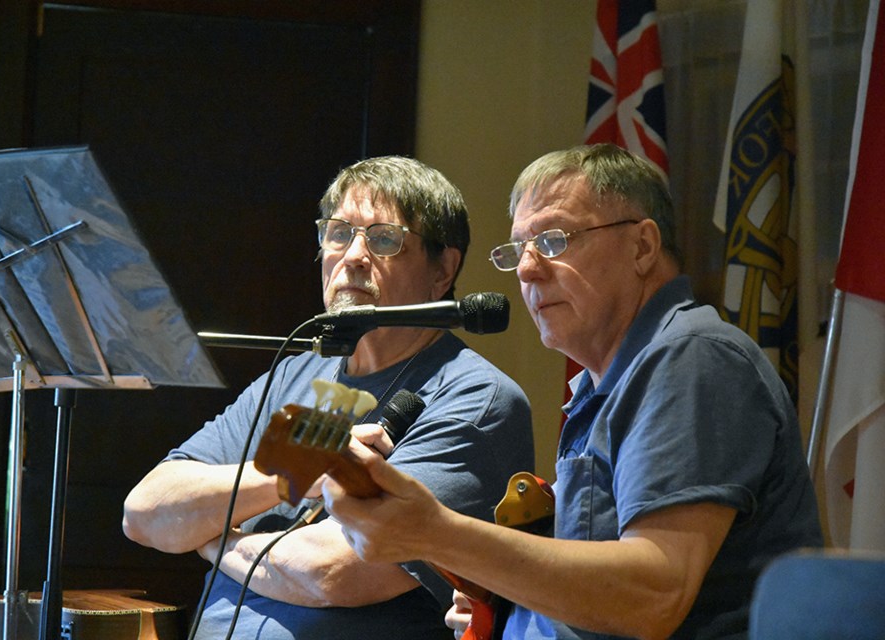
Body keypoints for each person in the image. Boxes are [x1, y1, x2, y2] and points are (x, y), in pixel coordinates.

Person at [322, 144, 823, 640]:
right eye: (518, 248)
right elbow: (599, 590)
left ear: (643, 247)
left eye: (555, 240)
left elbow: (654, 595)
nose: (526, 269)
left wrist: (436, 532)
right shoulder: (600, 382)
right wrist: (505, 597)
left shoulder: (693, 357)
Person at [122, 155, 534, 639]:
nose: (353, 255)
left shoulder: (477, 398)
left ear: (443, 269)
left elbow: (334, 573)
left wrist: (215, 541)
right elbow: (145, 512)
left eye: (383, 239)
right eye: (338, 233)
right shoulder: (293, 375)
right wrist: (297, 469)